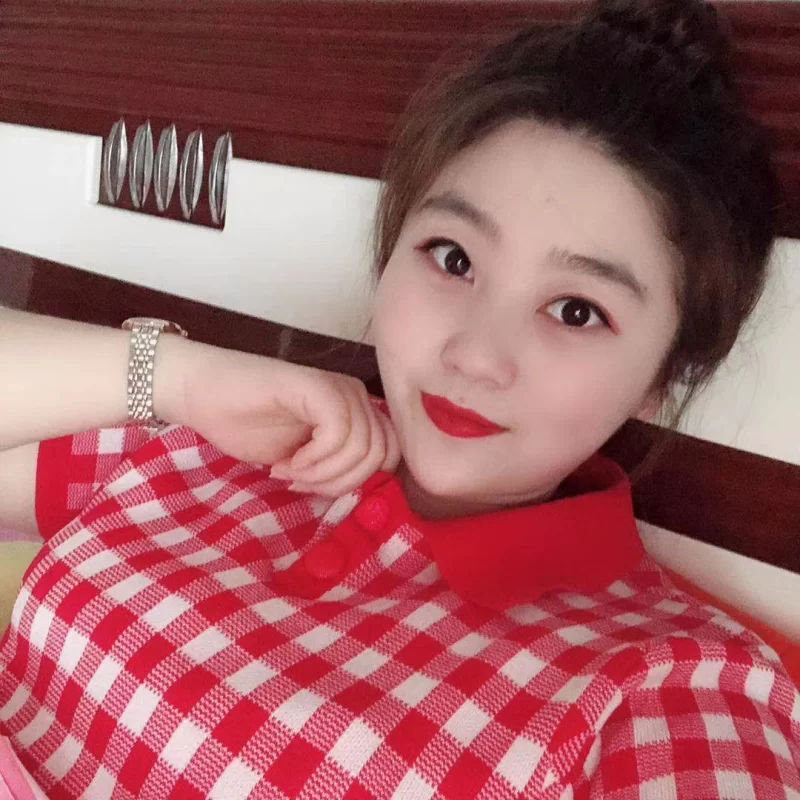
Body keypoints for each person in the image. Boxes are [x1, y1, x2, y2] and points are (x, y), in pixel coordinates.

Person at [0, 0, 798, 796]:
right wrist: (178, 377)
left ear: (662, 378)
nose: (474, 355)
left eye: (577, 311)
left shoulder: (672, 689)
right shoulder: (239, 439)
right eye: (453, 258)